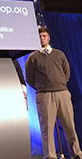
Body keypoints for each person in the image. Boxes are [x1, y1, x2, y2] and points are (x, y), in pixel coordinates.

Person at [25, 27, 82, 159]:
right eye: (39, 36)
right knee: (47, 129)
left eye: (44, 36)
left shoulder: (59, 54)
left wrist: (60, 84)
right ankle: (50, 156)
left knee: (69, 126)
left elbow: (67, 72)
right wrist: (43, 87)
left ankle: (76, 154)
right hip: (45, 96)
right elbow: (29, 78)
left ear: (49, 37)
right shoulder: (33, 58)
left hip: (62, 93)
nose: (42, 38)